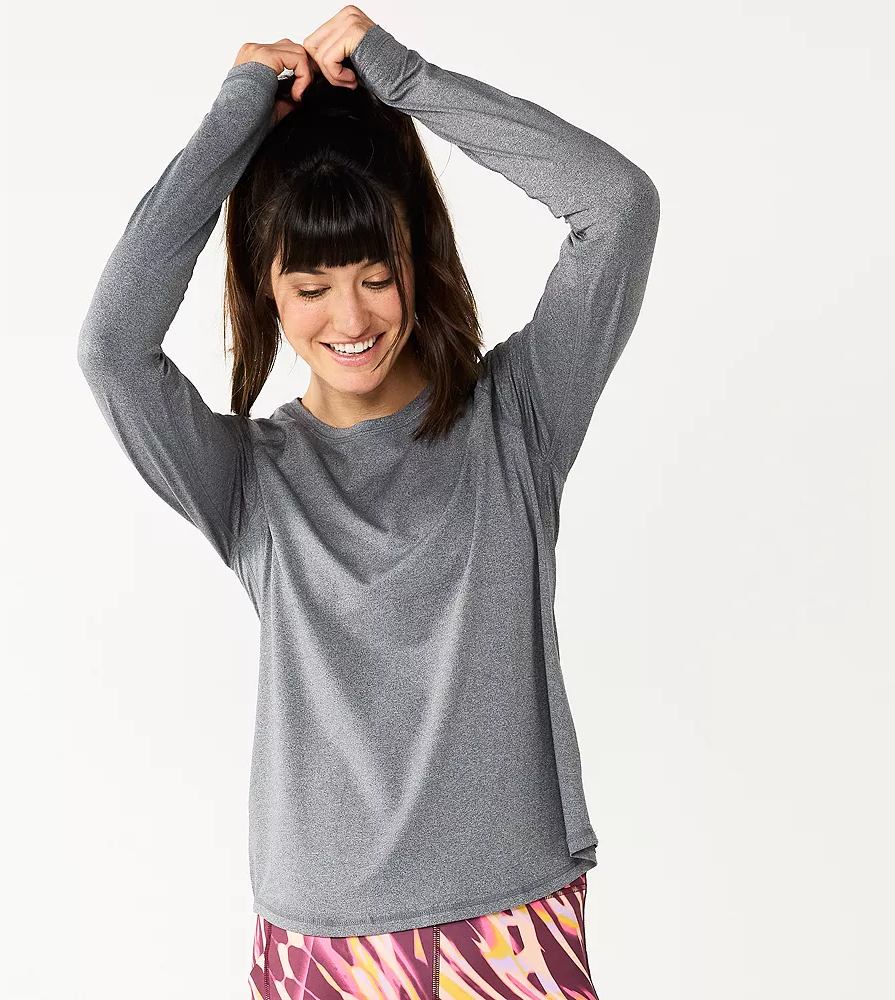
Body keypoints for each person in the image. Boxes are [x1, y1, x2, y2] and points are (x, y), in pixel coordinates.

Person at [76, 7, 660, 998]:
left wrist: (411, 80)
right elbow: (111, 348)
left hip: (509, 919)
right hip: (321, 940)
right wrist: (235, 121)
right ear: (266, 294)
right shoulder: (251, 480)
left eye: (376, 277)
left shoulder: (515, 421)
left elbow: (618, 206)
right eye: (310, 288)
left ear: (414, 267)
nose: (350, 318)